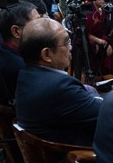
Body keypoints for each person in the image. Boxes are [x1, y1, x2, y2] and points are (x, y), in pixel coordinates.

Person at [16, 18, 102, 146]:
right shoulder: (60, 88)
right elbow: (107, 115)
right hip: (78, 160)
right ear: (46, 54)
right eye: (66, 42)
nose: (71, 47)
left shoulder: (26, 75)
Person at [0, 1, 40, 105]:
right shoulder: (20, 68)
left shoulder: (4, 46)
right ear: (16, 31)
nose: (42, 27)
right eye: (37, 23)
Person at [84, 0, 113, 76]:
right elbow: (84, 32)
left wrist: (105, 41)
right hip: (89, 39)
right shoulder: (87, 9)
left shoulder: (104, 9)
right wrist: (101, 42)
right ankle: (95, 74)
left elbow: (107, 29)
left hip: (101, 37)